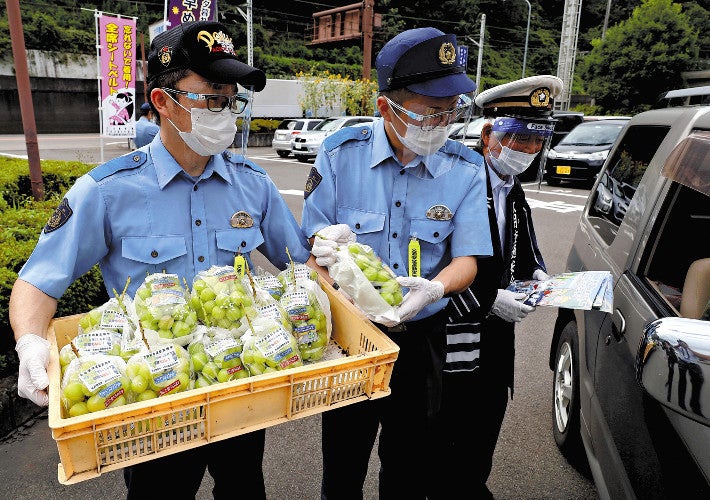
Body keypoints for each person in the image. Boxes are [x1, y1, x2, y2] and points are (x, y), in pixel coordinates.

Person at [9, 20, 319, 499]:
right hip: (152, 402)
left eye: (232, 100)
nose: (225, 113)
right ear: (162, 101)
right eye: (212, 97)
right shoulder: (107, 191)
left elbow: (300, 267)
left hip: (238, 381)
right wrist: (30, 345)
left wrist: (337, 261)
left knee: (243, 488)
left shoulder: (253, 184)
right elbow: (39, 282)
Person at [301, 27, 493, 499]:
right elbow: (315, 251)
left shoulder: (466, 169)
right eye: (431, 111)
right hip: (352, 340)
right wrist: (325, 261)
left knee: (408, 467)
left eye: (451, 111)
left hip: (420, 338)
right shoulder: (339, 155)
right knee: (343, 465)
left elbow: (467, 258)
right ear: (387, 107)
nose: (443, 122)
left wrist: (434, 289)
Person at [432, 75, 563, 498]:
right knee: (442, 436)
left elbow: (521, 244)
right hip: (452, 333)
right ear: (489, 133)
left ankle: (471, 486)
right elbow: (435, 263)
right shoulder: (454, 179)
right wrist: (489, 300)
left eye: (536, 140)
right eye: (518, 137)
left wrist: (537, 274)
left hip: (495, 341)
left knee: (483, 432)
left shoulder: (514, 188)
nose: (526, 150)